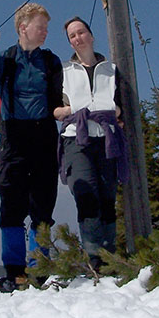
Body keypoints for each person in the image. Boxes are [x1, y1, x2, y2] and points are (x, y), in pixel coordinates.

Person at [0, 2, 63, 292]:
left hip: (45, 137)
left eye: (46, 27)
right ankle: (14, 271)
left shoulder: (51, 62)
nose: (46, 31)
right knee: (11, 207)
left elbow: (58, 101)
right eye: (41, 26)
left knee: (42, 206)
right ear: (23, 28)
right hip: (12, 138)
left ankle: (39, 270)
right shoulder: (5, 58)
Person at [53, 17, 128, 270]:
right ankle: (95, 258)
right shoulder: (64, 71)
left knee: (107, 197)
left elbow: (122, 104)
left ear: (91, 35)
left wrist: (116, 112)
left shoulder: (111, 69)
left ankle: (111, 258)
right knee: (86, 195)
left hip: (106, 137)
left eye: (81, 32)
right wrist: (68, 111)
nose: (77, 38)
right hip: (77, 137)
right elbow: (52, 107)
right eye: (72, 36)